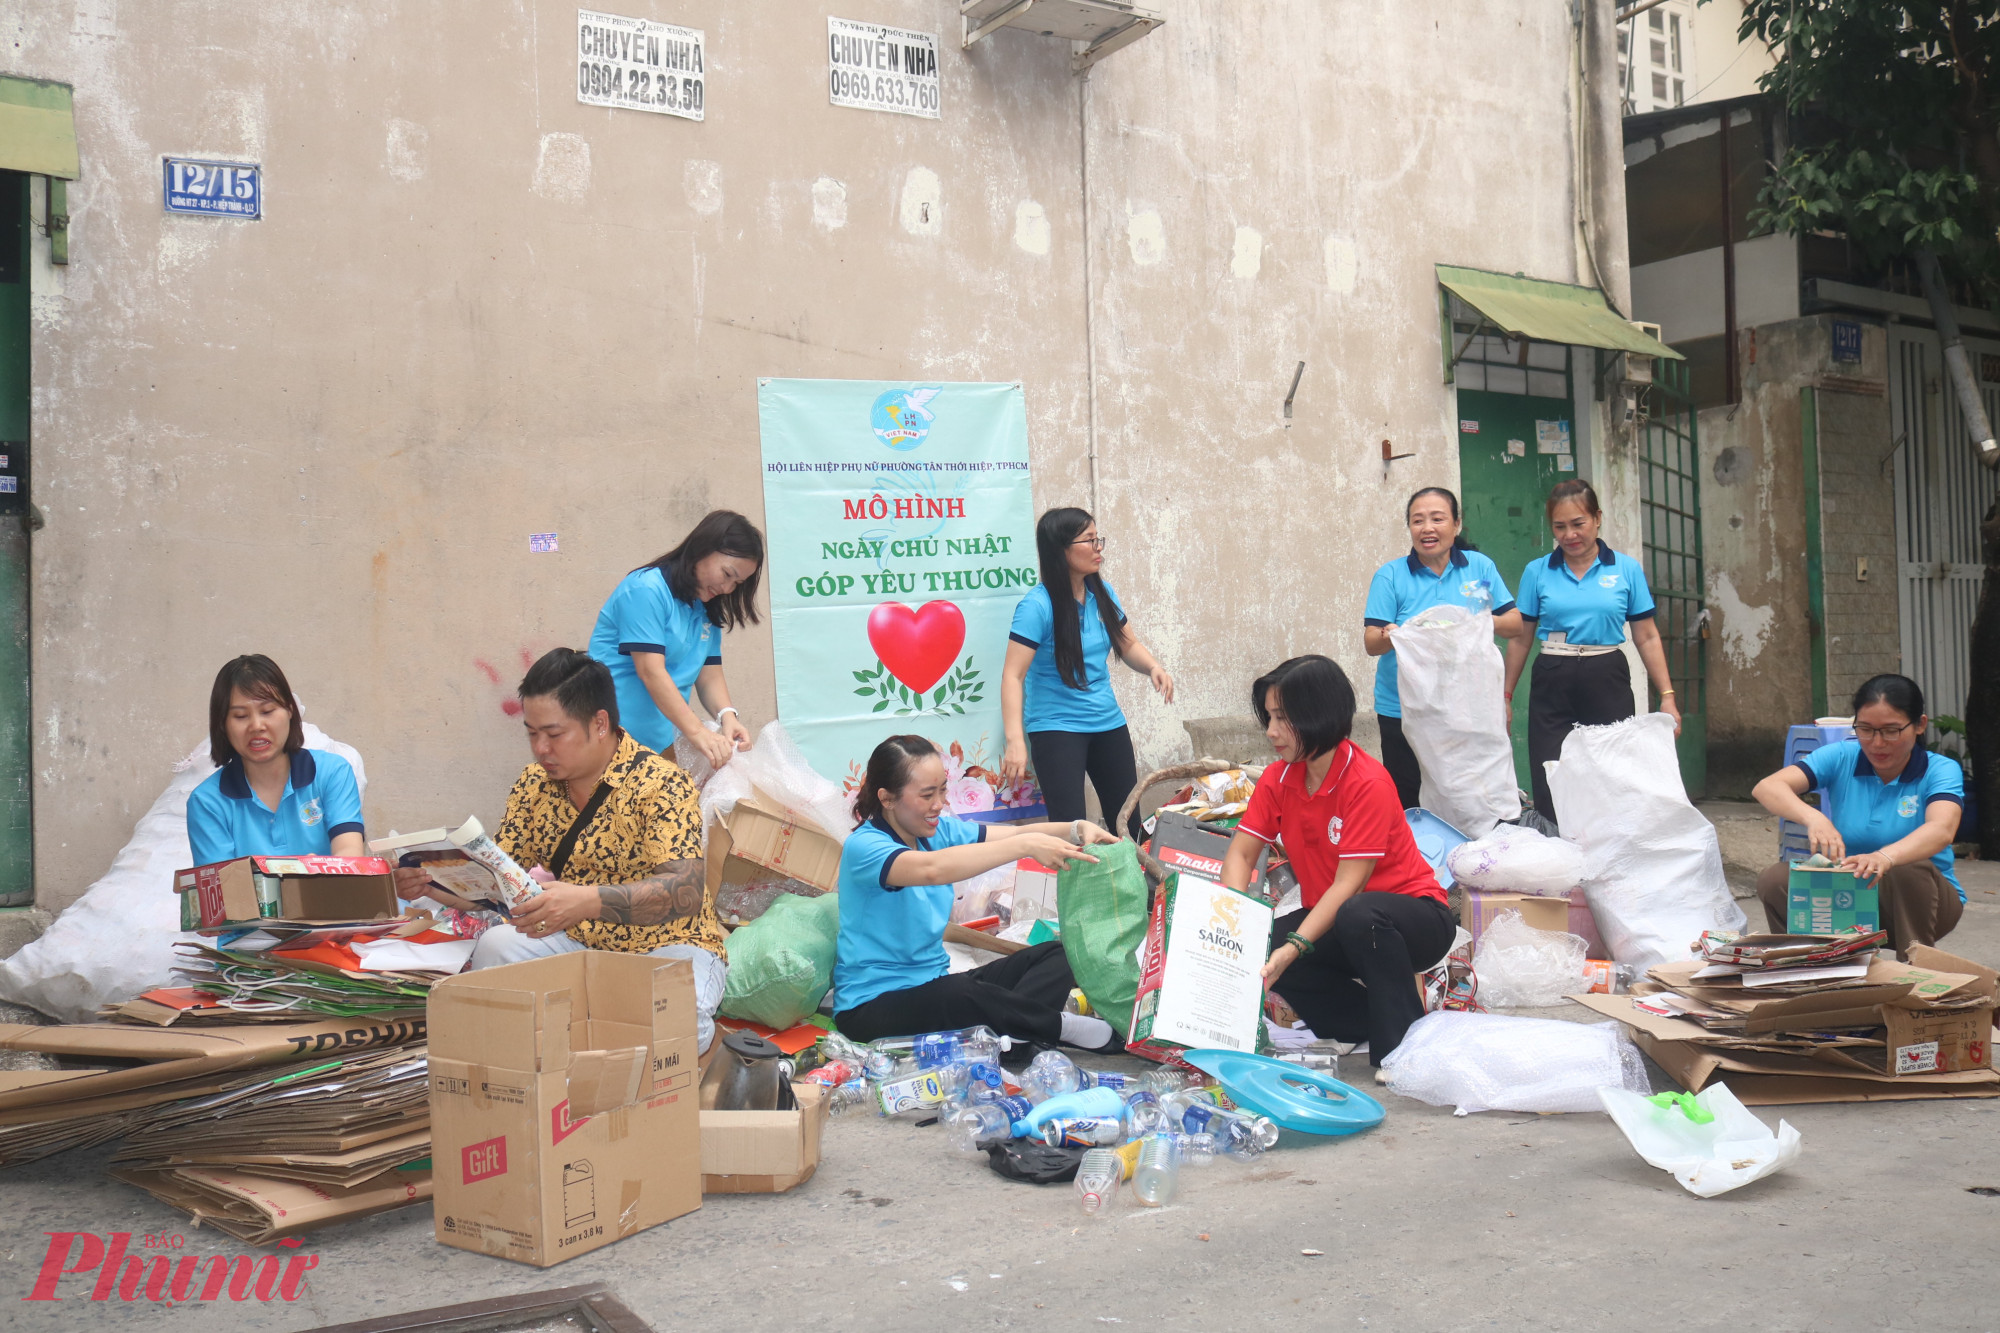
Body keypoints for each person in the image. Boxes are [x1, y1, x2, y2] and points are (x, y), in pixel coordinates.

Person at [398, 649, 729, 1050]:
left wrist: (588, 901)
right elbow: (501, 884)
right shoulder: (533, 785)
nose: (540, 749)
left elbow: (686, 892)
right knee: (496, 949)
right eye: (531, 733)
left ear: (600, 724)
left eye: (554, 735)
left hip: (667, 944)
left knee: (680, 1022)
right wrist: (434, 883)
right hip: (579, 941)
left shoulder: (660, 783)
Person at [1219, 656, 1455, 1068]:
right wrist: (1233, 925)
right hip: (1340, 918)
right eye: (1269, 717)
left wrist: (1294, 949)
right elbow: (1241, 853)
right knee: (1265, 946)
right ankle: (1373, 1021)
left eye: (1283, 718)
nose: (1271, 731)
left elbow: (1350, 885)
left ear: (1318, 715)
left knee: (1355, 915)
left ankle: (1399, 1050)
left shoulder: (1367, 782)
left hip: (1413, 919)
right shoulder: (1278, 778)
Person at [832, 734, 1122, 1050]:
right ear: (887, 798)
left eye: (942, 790)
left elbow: (1017, 833)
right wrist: (1024, 847)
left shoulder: (937, 830)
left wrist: (1077, 829)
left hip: (935, 987)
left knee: (1059, 954)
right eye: (927, 795)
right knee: (960, 993)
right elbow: (933, 869)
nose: (939, 805)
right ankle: (1062, 1028)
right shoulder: (865, 847)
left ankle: (1017, 1035)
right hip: (873, 1007)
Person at [1503, 479, 1681, 823]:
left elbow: (1646, 636)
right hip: (1552, 675)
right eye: (1560, 527)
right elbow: (1521, 639)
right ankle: (1557, 854)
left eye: (1578, 524)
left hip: (1607, 675)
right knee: (1550, 768)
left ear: (1597, 518)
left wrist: (1667, 695)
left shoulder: (1625, 568)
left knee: (1611, 770)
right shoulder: (1537, 571)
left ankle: (1608, 857)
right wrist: (1506, 695)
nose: (1569, 534)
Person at [1750, 674, 1964, 956]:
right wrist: (1814, 817)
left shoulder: (1940, 770)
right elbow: (1767, 787)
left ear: (1919, 725)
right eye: (1865, 729)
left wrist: (1884, 857)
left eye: (1891, 731)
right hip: (1847, 893)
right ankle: (1804, 966)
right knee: (1775, 880)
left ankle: (1915, 973)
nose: (1877, 743)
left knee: (1908, 869)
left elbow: (1941, 829)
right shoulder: (1842, 756)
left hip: (1925, 902)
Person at [999, 508, 1174, 839]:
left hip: (1107, 722)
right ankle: (1081, 890)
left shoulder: (1102, 593)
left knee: (1129, 823)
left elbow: (1128, 644)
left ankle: (1143, 889)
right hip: (1056, 728)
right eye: (1089, 540)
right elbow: (1012, 676)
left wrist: (1153, 666)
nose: (1098, 548)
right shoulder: (1037, 606)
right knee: (1072, 830)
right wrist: (1014, 741)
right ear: (1061, 549)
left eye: (1098, 539)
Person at [1363, 486, 1526, 808]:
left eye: (1438, 519)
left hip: (1467, 706)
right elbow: (1371, 643)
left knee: (1467, 796)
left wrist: (1469, 623)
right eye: (1418, 520)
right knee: (1409, 798)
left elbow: (1514, 623)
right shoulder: (1391, 575)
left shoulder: (1478, 568)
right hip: (1403, 708)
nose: (1427, 529)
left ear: (1457, 525)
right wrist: (1394, 634)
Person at [588, 510, 764, 772]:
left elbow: (709, 674)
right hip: (610, 743)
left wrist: (727, 715)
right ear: (703, 548)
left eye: (737, 583)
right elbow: (651, 671)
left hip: (659, 744)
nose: (728, 589)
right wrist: (698, 733)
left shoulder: (704, 605)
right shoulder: (645, 590)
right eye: (727, 574)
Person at [186, 654, 366, 865]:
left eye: (267, 711)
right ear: (222, 725)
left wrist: (320, 873)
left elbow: (350, 853)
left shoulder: (332, 772)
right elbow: (223, 887)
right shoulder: (207, 802)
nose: (256, 726)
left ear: (290, 710)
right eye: (241, 716)